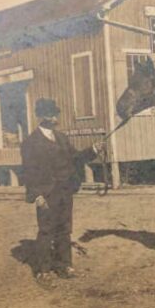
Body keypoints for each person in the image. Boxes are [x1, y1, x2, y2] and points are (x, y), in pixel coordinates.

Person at [20, 98, 104, 287]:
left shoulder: (61, 138)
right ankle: (43, 270)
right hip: (46, 194)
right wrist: (37, 196)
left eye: (55, 113)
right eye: (51, 113)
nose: (55, 117)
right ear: (41, 116)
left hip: (65, 191)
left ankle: (64, 266)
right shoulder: (30, 143)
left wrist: (93, 150)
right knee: (46, 231)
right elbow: (28, 172)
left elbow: (75, 158)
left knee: (65, 230)